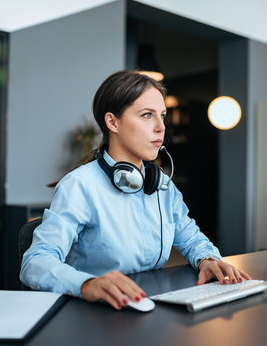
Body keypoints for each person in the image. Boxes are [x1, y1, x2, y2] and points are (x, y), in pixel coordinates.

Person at [20, 70, 251, 310]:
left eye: (162, 116)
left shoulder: (161, 184)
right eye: (147, 115)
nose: (161, 127)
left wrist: (207, 258)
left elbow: (191, 237)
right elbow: (36, 262)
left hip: (147, 306)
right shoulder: (80, 186)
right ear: (113, 122)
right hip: (93, 313)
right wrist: (87, 283)